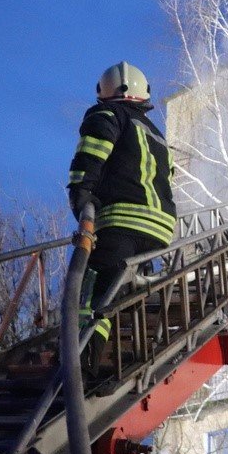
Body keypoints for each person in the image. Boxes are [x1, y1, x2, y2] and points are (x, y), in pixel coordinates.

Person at [67, 61, 176, 376]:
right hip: (160, 228)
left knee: (93, 290)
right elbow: (168, 177)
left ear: (103, 92)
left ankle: (82, 365)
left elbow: (91, 154)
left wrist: (81, 194)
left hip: (121, 221)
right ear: (145, 95)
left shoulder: (106, 115)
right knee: (118, 288)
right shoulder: (158, 135)